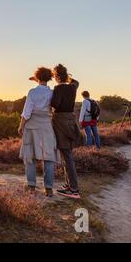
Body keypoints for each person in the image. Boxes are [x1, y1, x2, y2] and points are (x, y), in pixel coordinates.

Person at [19, 67, 60, 198]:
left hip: (32, 125)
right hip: (47, 125)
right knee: (48, 157)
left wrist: (21, 126)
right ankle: (48, 188)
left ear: (37, 77)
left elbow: (26, 113)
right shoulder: (52, 93)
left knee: (29, 155)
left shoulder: (32, 92)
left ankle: (31, 186)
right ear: (49, 78)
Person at [50, 64, 82, 199]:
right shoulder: (72, 86)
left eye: (55, 76)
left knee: (67, 155)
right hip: (70, 119)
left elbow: (55, 105)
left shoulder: (58, 88)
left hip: (61, 120)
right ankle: (69, 185)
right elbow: (76, 82)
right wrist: (67, 78)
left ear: (57, 77)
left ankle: (74, 190)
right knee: (66, 154)